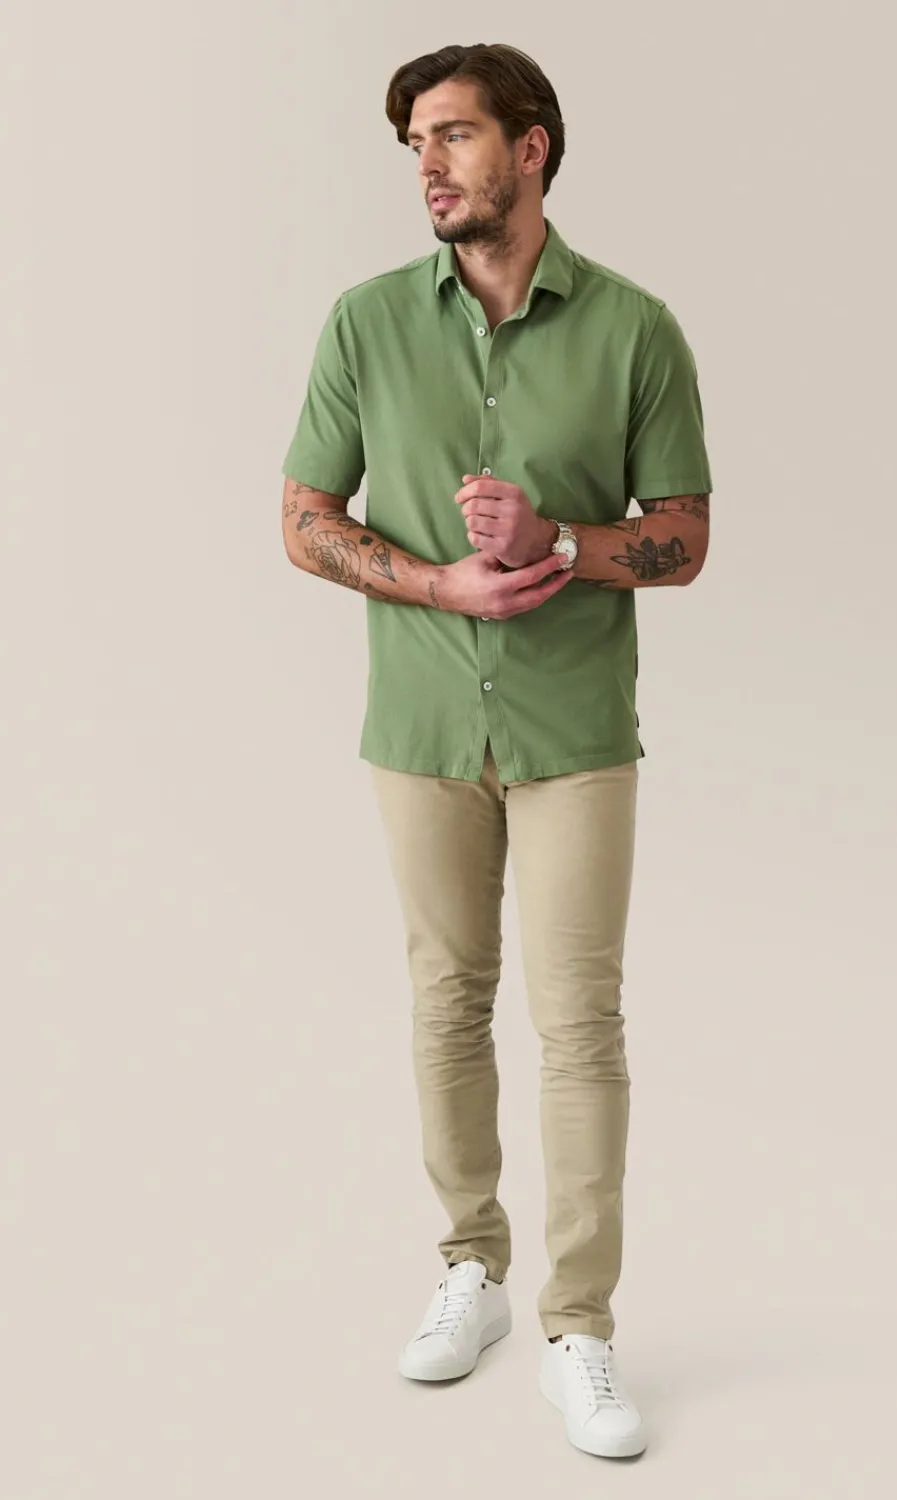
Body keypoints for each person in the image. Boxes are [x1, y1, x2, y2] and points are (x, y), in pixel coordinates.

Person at [280, 41, 712, 1461]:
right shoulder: (364, 324)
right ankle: (471, 1266)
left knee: (580, 1023)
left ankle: (578, 1328)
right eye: (415, 141)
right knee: (445, 1001)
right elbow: (304, 518)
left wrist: (560, 545)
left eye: (455, 134)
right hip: (418, 726)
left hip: (574, 729)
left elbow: (685, 537)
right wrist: (437, 582)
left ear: (532, 148)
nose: (428, 164)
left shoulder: (636, 329)